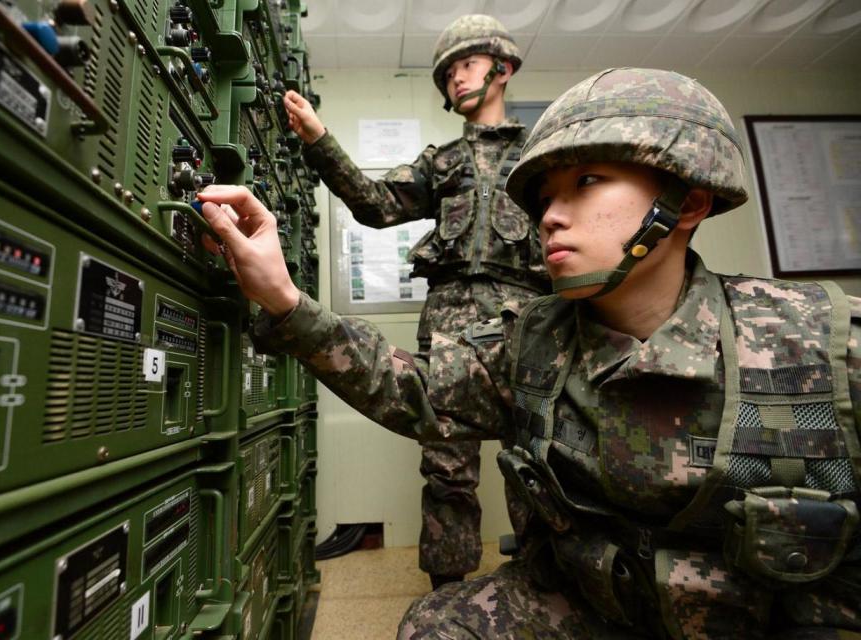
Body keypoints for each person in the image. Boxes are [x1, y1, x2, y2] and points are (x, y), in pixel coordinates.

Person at [199, 67, 861, 639]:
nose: (548, 215)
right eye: (544, 195)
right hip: (595, 606)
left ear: (686, 201)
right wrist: (285, 299)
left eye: (587, 182)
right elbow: (417, 391)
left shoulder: (823, 348)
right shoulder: (534, 340)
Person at [281, 14, 548, 589]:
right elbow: (375, 205)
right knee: (447, 468)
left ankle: (545, 590)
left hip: (530, 323)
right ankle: (447, 600)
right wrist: (318, 141)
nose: (455, 78)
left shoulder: (544, 156)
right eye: (448, 72)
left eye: (467, 65)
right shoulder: (443, 162)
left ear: (502, 69)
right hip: (451, 324)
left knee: (538, 464)